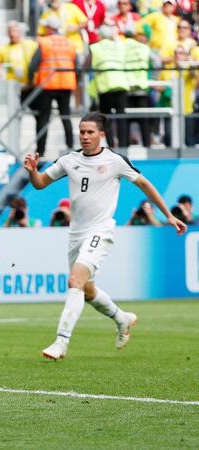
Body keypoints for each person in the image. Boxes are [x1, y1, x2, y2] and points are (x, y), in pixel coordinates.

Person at [23, 112, 187, 360]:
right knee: (87, 291)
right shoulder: (69, 160)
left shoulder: (115, 161)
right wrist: (32, 171)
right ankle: (123, 319)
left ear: (102, 134)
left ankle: (61, 342)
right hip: (76, 234)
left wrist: (168, 215)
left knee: (74, 281)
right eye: (82, 131)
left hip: (101, 231)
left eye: (90, 132)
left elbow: (145, 184)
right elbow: (40, 183)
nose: (85, 136)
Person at [29, 16, 76, 157]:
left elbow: (33, 64)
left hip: (47, 84)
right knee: (66, 116)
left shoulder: (44, 42)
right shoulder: (69, 42)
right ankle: (70, 147)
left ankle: (40, 151)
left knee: (43, 118)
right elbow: (76, 62)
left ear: (49, 28)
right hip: (66, 84)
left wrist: (30, 79)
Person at [90, 26, 129, 149]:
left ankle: (111, 144)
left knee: (106, 117)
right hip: (121, 83)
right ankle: (123, 145)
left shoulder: (95, 47)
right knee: (121, 116)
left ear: (100, 36)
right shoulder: (120, 45)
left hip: (105, 85)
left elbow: (88, 63)